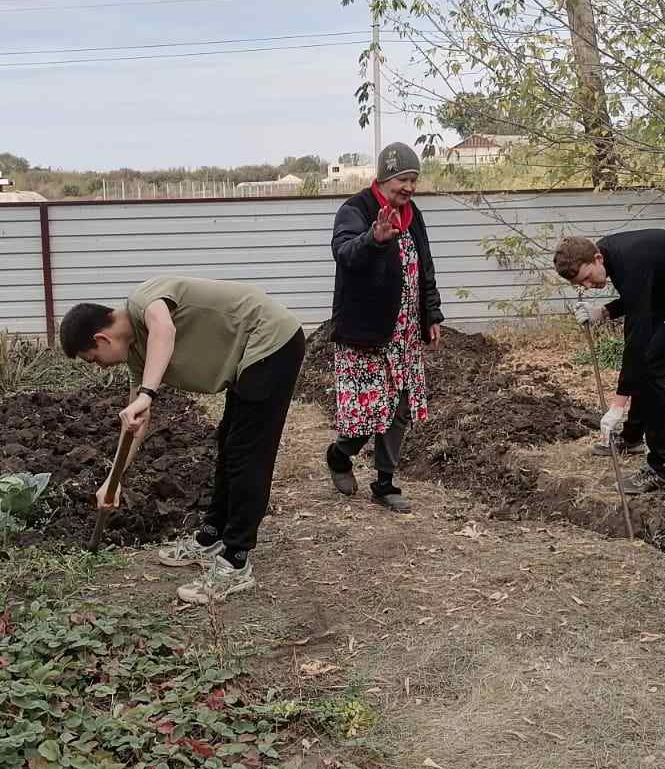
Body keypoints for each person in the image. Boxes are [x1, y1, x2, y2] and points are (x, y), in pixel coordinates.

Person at [59, 277, 306, 605]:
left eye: (93, 359)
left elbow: (165, 329)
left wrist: (148, 393)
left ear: (101, 338)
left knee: (248, 452)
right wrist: (113, 481)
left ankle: (235, 561)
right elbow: (135, 424)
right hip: (250, 356)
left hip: (272, 341)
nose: (100, 367)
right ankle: (213, 536)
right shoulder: (137, 355)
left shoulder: (143, 302)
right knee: (229, 445)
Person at [324, 141, 444, 512]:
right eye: (403, 179)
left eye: (414, 179)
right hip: (367, 334)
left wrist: (432, 314)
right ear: (385, 177)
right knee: (368, 414)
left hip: (406, 332)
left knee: (400, 408)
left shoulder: (413, 214)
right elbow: (344, 253)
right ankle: (339, 455)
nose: (409, 187)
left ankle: (385, 482)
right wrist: (373, 240)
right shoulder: (355, 210)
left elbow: (424, 266)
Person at [553, 230, 665, 493]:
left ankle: (661, 468)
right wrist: (604, 311)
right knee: (645, 368)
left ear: (597, 258)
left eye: (586, 278)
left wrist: (617, 404)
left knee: (652, 373)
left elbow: (636, 338)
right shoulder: (611, 257)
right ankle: (632, 439)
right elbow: (637, 297)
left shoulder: (630, 260)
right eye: (580, 285)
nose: (587, 286)